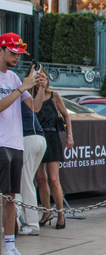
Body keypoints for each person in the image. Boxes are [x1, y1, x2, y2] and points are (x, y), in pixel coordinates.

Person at [0, 32, 45, 255]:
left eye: (19, 53)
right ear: (1, 50)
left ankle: (10, 248)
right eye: (12, 52)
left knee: (10, 198)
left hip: (15, 144)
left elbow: (35, 108)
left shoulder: (16, 79)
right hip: (1, 144)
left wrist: (40, 88)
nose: (17, 57)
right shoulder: (14, 82)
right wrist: (21, 88)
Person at [34, 69, 73, 230]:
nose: (40, 80)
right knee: (40, 178)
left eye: (43, 77)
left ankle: (61, 213)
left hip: (52, 136)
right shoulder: (30, 96)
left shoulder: (53, 95)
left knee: (54, 178)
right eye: (38, 77)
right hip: (37, 136)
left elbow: (66, 115)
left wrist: (70, 135)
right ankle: (46, 211)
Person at [17, 101, 46, 236]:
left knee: (24, 182)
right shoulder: (20, 97)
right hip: (38, 138)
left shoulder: (12, 98)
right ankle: (21, 220)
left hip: (28, 138)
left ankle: (31, 224)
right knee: (24, 181)